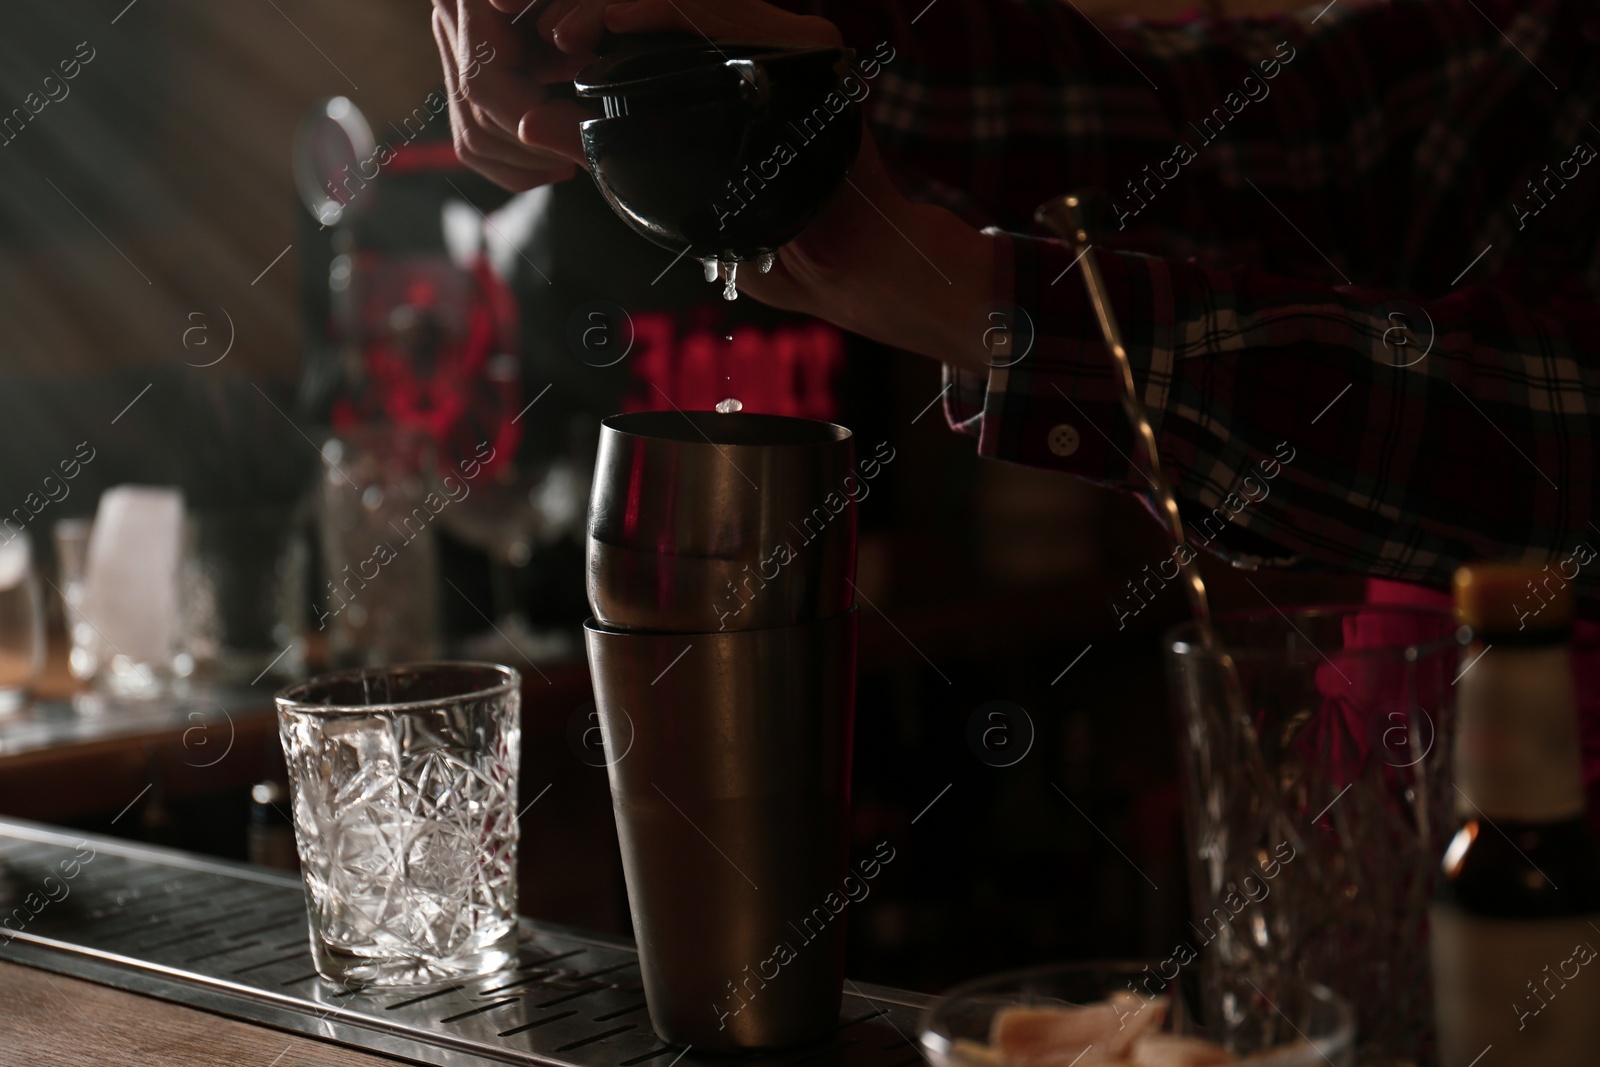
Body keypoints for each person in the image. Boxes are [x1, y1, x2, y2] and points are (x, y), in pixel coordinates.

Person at [432, 0, 1600, 795]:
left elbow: (1550, 427)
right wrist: (779, 33)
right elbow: (1276, 139)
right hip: (1431, 823)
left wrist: (981, 298)